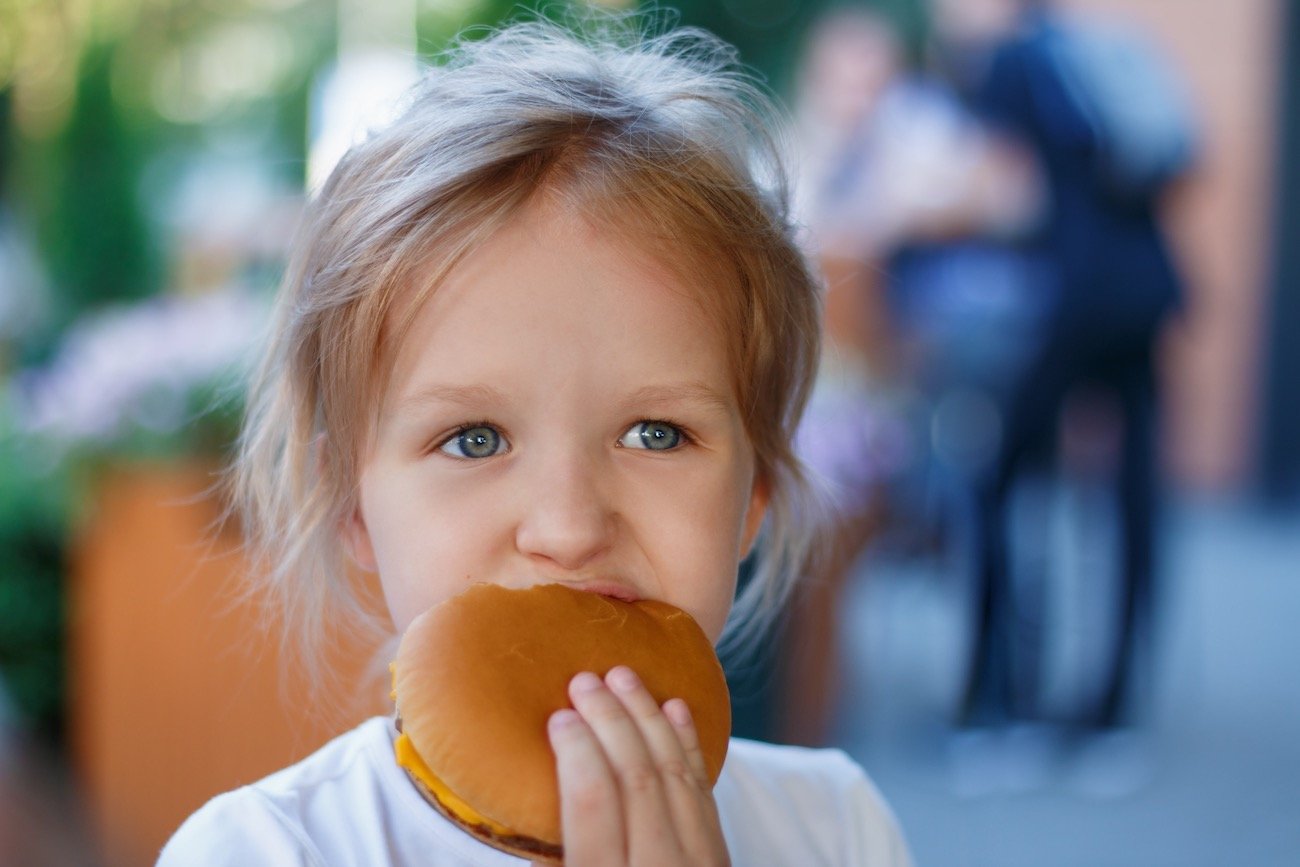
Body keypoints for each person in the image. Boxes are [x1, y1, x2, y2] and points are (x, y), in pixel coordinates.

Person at [157, 17, 912, 866]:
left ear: (754, 498)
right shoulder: (264, 850)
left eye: (654, 432)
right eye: (474, 438)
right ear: (352, 506)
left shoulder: (835, 828)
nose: (568, 526)